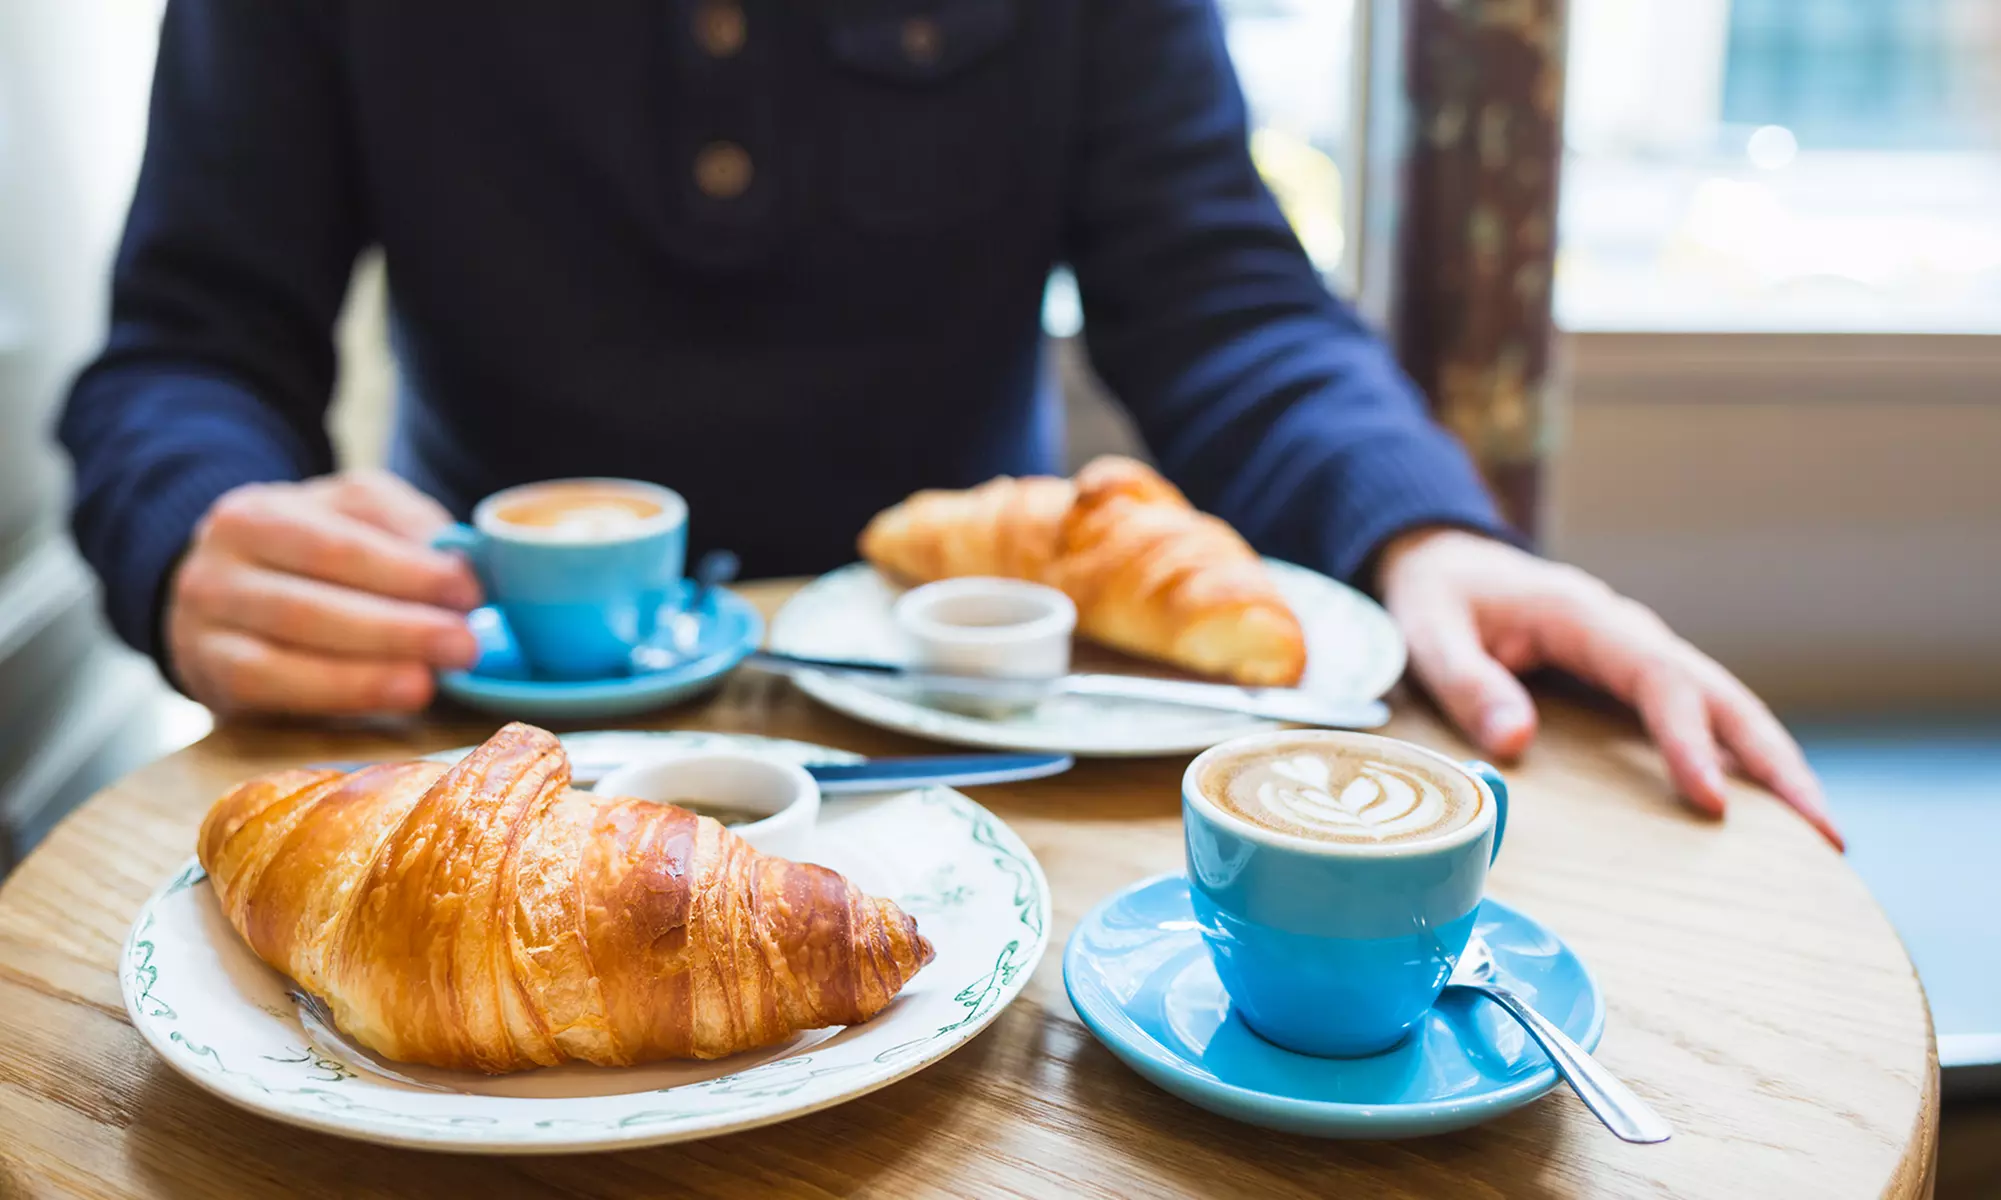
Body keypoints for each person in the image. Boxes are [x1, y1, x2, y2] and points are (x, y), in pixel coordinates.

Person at [57, 0, 1840, 848]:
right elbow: (185, 351)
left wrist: (1424, 528)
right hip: (490, 749)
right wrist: (197, 526)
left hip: (1003, 763)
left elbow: (1217, 286)